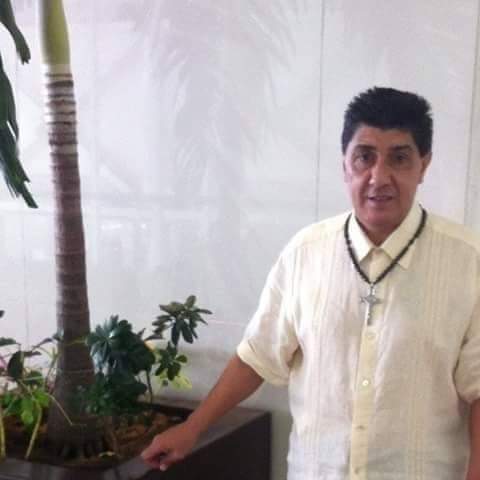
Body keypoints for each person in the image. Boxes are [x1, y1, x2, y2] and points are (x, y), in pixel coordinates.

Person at [142, 87, 480, 479]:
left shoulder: (467, 262)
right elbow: (258, 355)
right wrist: (192, 428)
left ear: (424, 165)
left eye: (399, 158)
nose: (378, 177)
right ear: (344, 165)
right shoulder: (306, 253)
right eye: (364, 157)